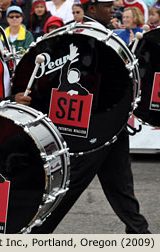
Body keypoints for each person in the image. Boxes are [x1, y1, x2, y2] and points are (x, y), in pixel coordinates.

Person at [30, 0, 150, 234]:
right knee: (71, 184)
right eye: (106, 6)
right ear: (92, 9)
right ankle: (36, 234)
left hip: (110, 121)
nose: (111, 10)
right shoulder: (85, 35)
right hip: (92, 124)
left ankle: (139, 231)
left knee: (120, 182)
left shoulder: (99, 33)